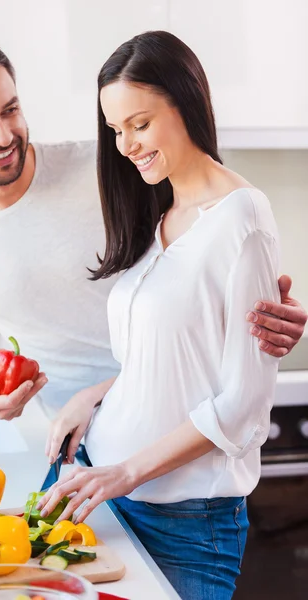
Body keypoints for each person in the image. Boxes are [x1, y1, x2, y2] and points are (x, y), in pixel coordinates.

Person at [0, 36, 306, 424]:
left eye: (10, 109)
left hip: (178, 411)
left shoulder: (112, 167)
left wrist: (260, 308)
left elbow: (215, 231)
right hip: (71, 432)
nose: (2, 135)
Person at [38, 31, 305, 599]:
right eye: (116, 131)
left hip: (182, 522)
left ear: (186, 102)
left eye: (140, 123)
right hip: (102, 491)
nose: (128, 144)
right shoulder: (160, 211)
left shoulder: (242, 216)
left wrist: (126, 472)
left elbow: (244, 408)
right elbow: (167, 356)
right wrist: (96, 395)